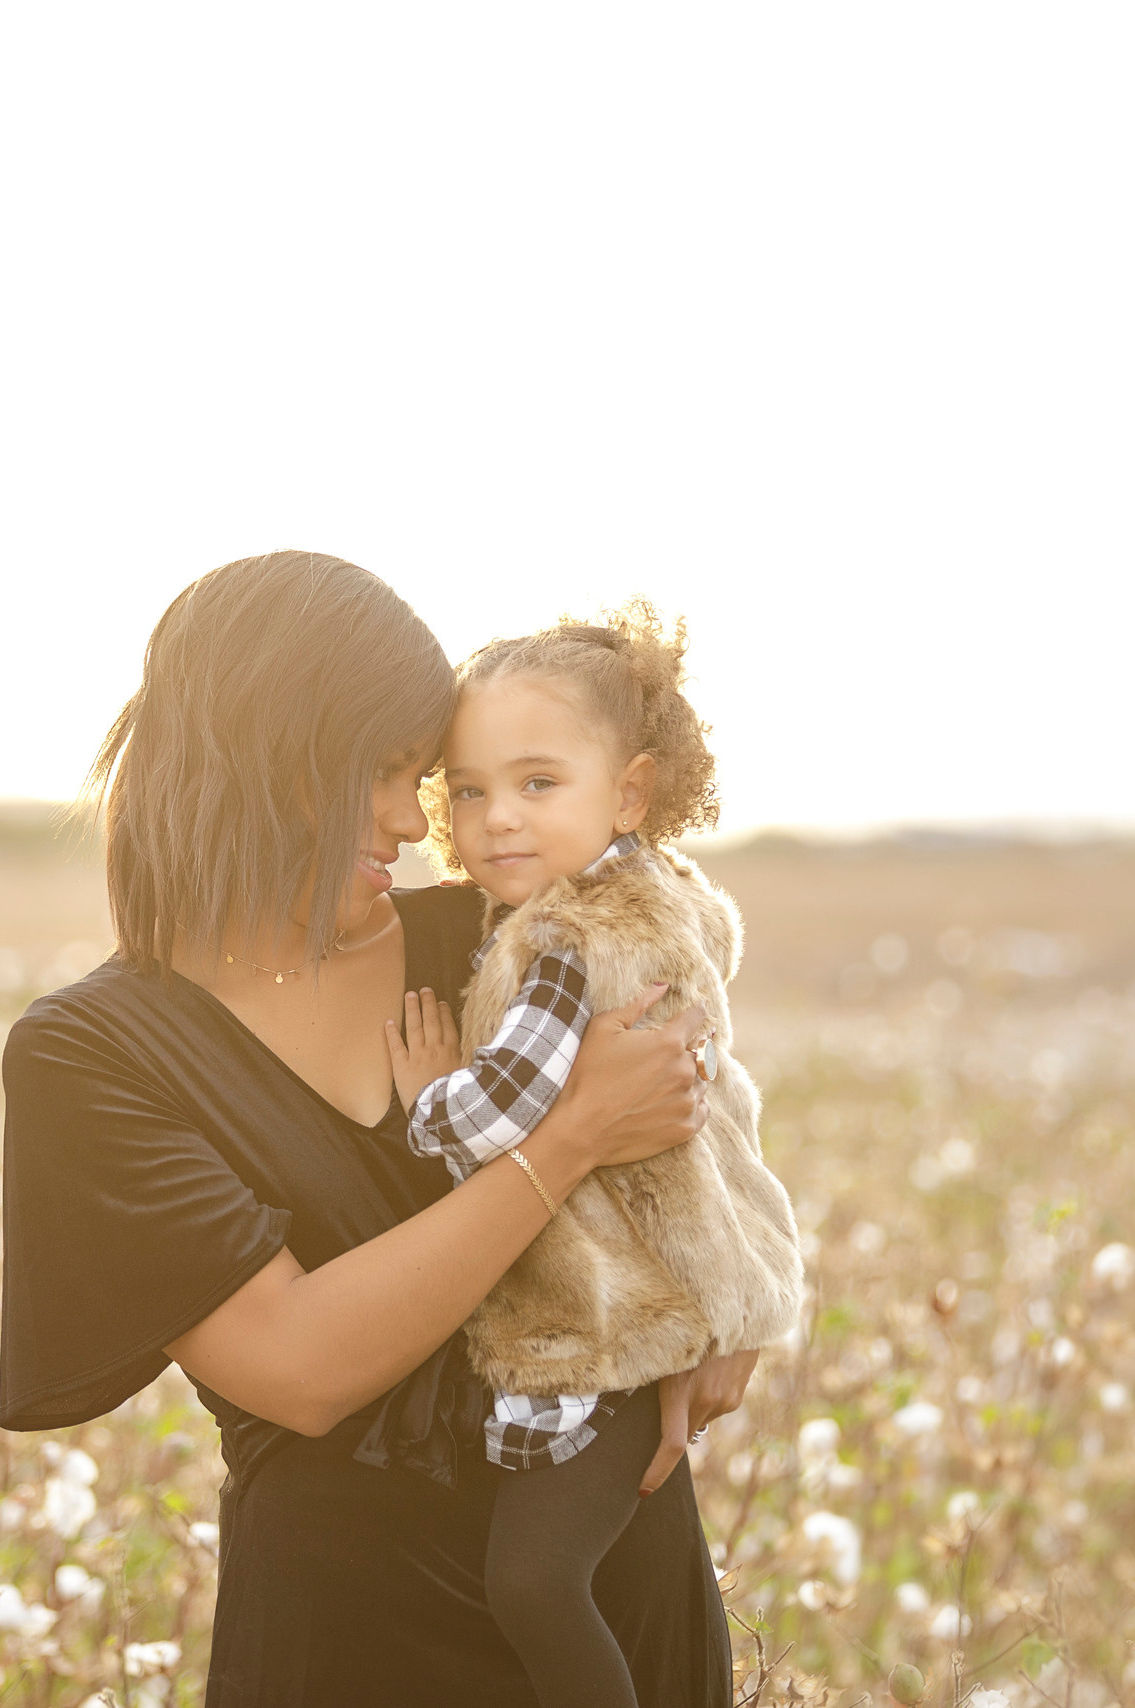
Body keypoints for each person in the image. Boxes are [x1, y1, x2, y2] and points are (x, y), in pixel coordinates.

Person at [0, 552, 750, 1705]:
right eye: (382, 774)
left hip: (604, 1597)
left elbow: (684, 1076)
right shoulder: (95, 1054)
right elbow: (297, 1366)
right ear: (263, 763)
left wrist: (732, 1307)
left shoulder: (492, 938)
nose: (413, 822)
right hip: (349, 1644)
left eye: (425, 777)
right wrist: (565, 1140)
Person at [384, 603, 806, 1708]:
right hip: (638, 1315)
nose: (493, 821)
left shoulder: (565, 940)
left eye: (536, 784)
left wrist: (422, 1100)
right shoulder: (658, 904)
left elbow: (500, 1111)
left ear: (629, 791)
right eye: (467, 791)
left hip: (607, 1325)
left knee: (531, 1583)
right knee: (546, 1574)